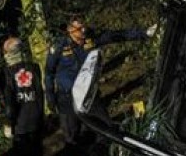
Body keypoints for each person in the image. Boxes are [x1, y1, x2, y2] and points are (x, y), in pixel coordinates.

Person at [44, 15, 149, 145]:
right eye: (79, 29)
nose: (83, 32)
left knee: (105, 126)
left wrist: (143, 33)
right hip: (66, 96)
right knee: (71, 135)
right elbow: (49, 72)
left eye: (84, 28)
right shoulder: (59, 45)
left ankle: (105, 149)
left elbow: (114, 36)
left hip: (88, 93)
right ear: (70, 30)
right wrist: (50, 97)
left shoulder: (90, 39)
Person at [1, 37, 45, 156]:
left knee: (23, 155)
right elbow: (40, 93)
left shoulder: (7, 73)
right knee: (37, 149)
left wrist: (8, 123)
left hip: (20, 121)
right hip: (36, 116)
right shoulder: (34, 67)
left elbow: (9, 103)